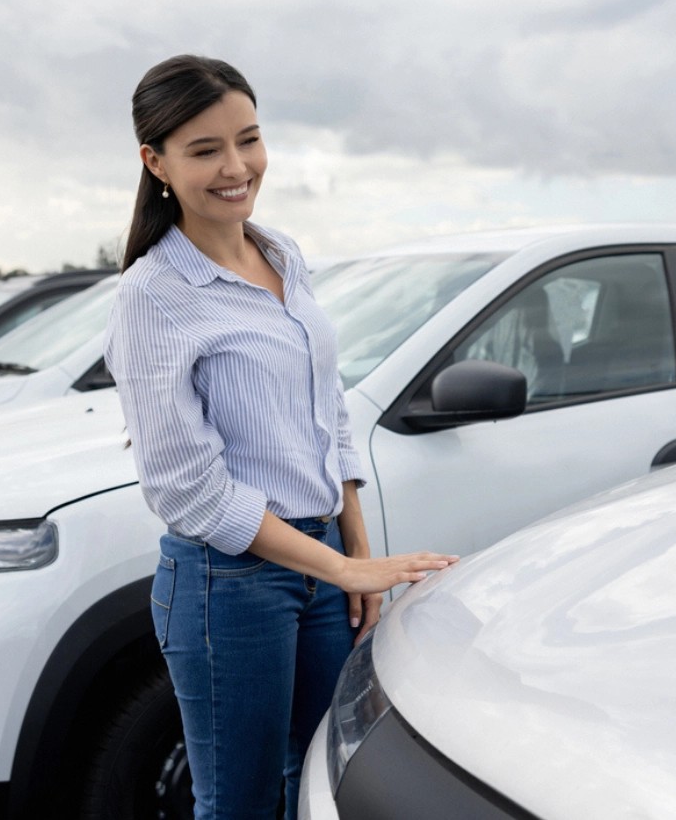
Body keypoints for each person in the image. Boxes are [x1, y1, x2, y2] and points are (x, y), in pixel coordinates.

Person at [103, 55, 456, 820]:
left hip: (321, 567)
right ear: (154, 163)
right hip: (225, 585)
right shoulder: (151, 296)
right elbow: (188, 491)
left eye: (249, 140)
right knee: (240, 803)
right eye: (204, 151)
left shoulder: (282, 254)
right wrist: (339, 566)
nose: (236, 167)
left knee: (317, 785)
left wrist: (354, 556)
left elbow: (327, 408)